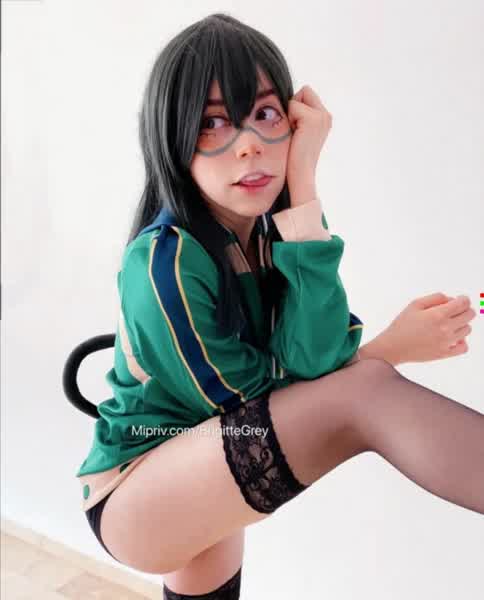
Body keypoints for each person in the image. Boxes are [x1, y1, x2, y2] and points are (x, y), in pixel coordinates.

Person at [74, 12, 482, 599]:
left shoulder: (276, 235)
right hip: (137, 487)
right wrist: (387, 349)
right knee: (365, 392)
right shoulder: (163, 260)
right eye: (213, 122)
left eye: (266, 115)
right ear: (173, 137)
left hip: (206, 461)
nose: (248, 146)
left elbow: (315, 360)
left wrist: (302, 187)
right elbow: (252, 403)